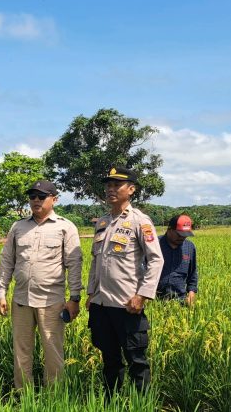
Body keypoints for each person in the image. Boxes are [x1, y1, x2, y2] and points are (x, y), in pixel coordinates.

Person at [86, 166, 164, 397]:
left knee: (136, 360)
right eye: (108, 185)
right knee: (109, 359)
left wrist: (143, 295)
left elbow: (156, 260)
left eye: (116, 185)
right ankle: (112, 402)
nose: (110, 189)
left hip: (127, 304)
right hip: (101, 305)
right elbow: (95, 262)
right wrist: (91, 293)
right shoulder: (102, 222)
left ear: (130, 189)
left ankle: (142, 404)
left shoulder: (140, 221)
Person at [0, 179, 82, 388]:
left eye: (41, 196)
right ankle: (23, 395)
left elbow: (75, 264)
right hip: (21, 300)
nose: (36, 200)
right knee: (21, 351)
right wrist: (1, 292)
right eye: (32, 196)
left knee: (53, 351)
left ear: (54, 199)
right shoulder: (18, 227)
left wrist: (74, 299)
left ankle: (54, 398)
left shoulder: (65, 227)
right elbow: (7, 260)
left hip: (51, 301)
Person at [156, 215, 198, 305]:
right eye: (179, 234)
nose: (182, 237)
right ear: (169, 230)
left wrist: (191, 293)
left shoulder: (190, 247)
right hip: (154, 300)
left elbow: (193, 274)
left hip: (180, 300)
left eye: (185, 235)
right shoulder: (155, 244)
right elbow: (142, 270)